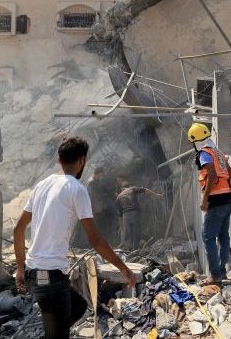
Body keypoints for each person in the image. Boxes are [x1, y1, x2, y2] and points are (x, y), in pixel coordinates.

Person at [14, 137, 137, 339]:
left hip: (33, 274)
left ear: (58, 160)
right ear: (82, 161)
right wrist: (124, 269)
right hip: (51, 277)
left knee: (79, 306)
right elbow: (95, 240)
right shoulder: (77, 189)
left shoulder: (41, 185)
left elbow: (18, 229)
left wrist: (20, 268)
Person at [187, 122, 231, 286]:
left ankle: (215, 276)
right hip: (228, 199)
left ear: (196, 140)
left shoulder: (203, 154)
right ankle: (222, 272)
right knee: (223, 236)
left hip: (216, 200)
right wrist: (229, 190)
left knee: (208, 237)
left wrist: (204, 198)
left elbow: (213, 176)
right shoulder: (218, 152)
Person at [116, 179, 162, 249]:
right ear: (129, 186)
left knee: (130, 234)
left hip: (125, 216)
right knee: (137, 233)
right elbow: (145, 190)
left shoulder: (119, 196)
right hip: (134, 213)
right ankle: (135, 250)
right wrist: (156, 195)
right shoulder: (132, 188)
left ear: (121, 188)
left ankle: (131, 251)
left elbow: (119, 214)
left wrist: (121, 226)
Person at [86, 167, 118, 244]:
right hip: (96, 209)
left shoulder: (96, 181)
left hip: (100, 208)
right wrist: (91, 209)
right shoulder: (91, 182)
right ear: (98, 173)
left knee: (101, 225)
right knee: (97, 226)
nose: (102, 176)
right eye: (101, 174)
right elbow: (90, 196)